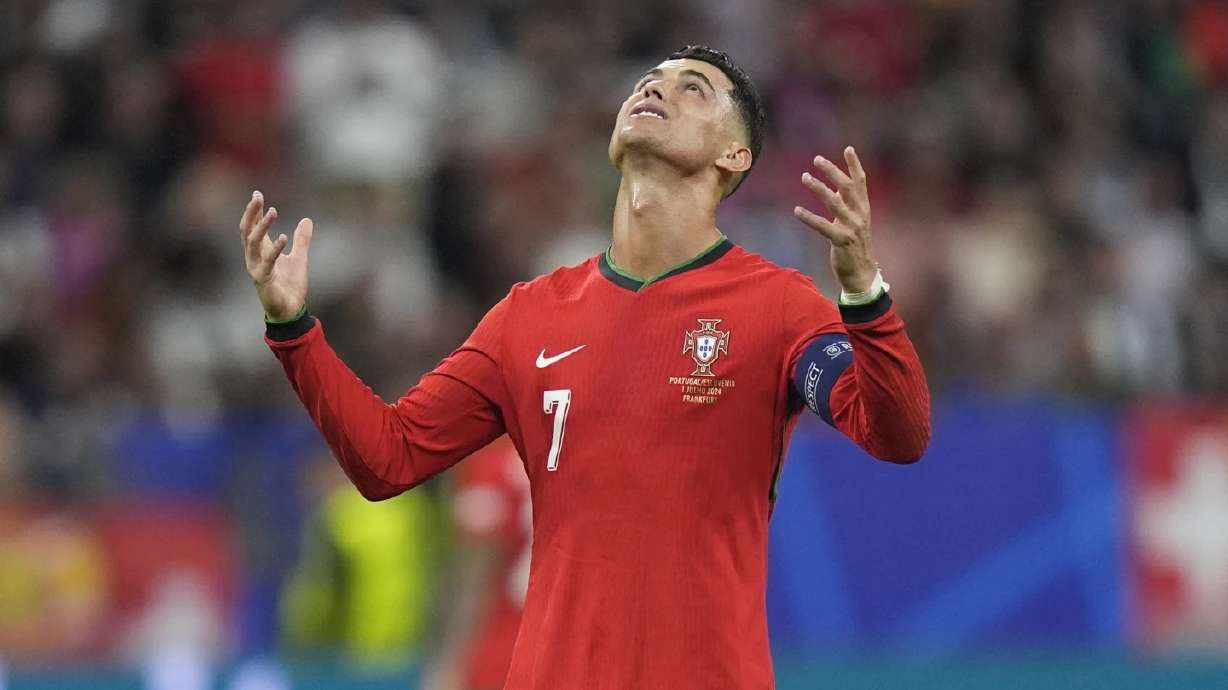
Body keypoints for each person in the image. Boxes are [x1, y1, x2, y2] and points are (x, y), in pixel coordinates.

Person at [240, 45, 930, 690]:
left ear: (733, 154)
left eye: (692, 89)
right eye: (647, 82)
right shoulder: (529, 316)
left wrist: (864, 293)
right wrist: (294, 330)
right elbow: (387, 459)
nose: (656, 89)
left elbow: (896, 435)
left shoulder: (778, 307)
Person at [420, 436, 531, 690]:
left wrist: (448, 662)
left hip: (505, 649)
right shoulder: (586, 458)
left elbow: (472, 576)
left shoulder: (494, 465)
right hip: (570, 650)